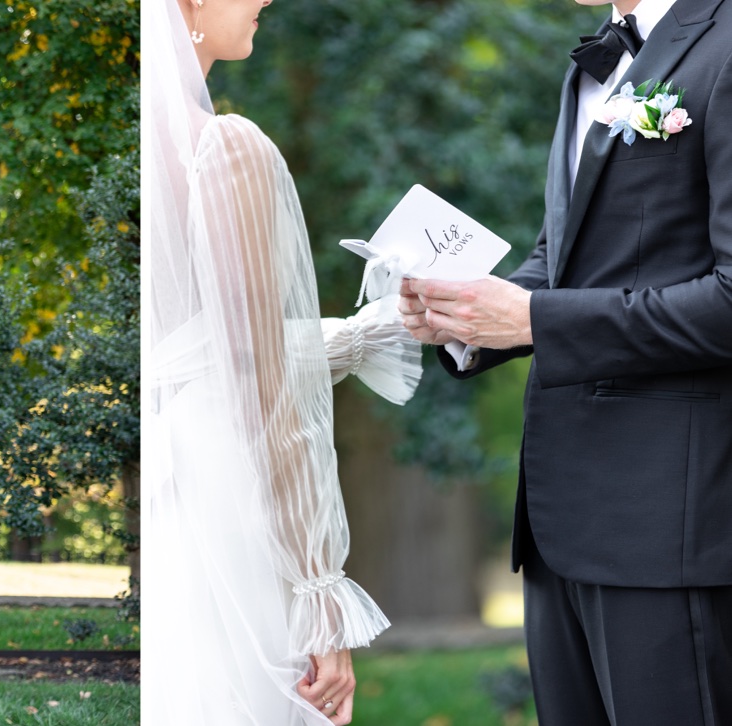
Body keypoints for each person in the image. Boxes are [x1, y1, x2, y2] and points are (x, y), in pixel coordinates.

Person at [399, 0, 732, 720]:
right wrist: (468, 320)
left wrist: (533, 319)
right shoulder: (594, 62)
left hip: (668, 526)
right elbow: (568, 258)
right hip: (558, 524)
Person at [143, 0, 421, 723]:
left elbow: (204, 351)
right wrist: (318, 593)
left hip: (170, 481)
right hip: (231, 490)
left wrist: (365, 335)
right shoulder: (225, 149)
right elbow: (258, 380)